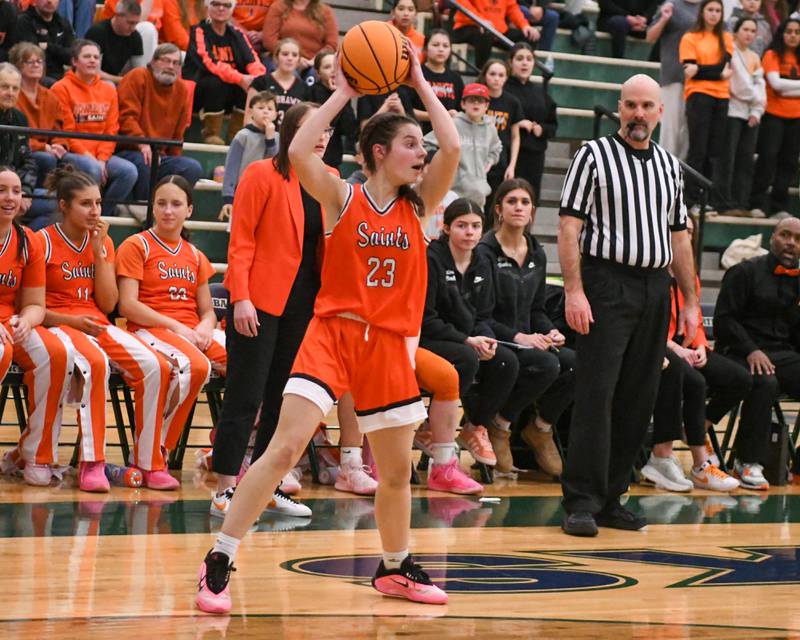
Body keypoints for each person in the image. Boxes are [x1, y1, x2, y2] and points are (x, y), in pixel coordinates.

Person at [195, 48, 460, 611]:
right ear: (379, 153)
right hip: (333, 334)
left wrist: (418, 80)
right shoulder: (342, 196)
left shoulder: (421, 205)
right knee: (283, 447)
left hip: (387, 346)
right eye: (411, 144)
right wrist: (344, 89)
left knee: (395, 474)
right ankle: (219, 556)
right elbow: (295, 150)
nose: (423, 152)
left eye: (421, 143)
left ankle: (395, 569)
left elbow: (454, 144)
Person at [558, 74, 699, 537]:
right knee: (596, 395)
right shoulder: (592, 156)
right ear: (620, 107)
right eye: (631, 105)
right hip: (606, 283)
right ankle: (581, 501)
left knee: (640, 397)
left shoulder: (669, 166)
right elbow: (568, 228)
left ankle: (613, 498)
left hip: (655, 287)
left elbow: (679, 237)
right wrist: (575, 291)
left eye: (647, 106)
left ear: (660, 112)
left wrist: (690, 302)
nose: (639, 114)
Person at [207, 102, 332, 522]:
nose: (321, 136)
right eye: (312, 128)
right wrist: (239, 297)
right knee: (245, 394)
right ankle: (225, 487)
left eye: (327, 129)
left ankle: (265, 485)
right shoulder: (261, 173)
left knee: (285, 399)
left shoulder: (328, 181)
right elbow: (240, 241)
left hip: (305, 305)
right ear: (290, 132)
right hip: (257, 302)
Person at [40, 166, 174, 492]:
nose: (95, 211)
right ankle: (92, 462)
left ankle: (149, 462)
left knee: (156, 366)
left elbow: (108, 302)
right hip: (57, 324)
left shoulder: (104, 242)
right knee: (95, 364)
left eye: (98, 203)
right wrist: (71, 321)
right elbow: (32, 308)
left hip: (96, 322)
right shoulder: (41, 241)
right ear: (64, 205)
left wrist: (101, 253)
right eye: (85, 204)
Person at [116, 175, 227, 464]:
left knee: (250, 368)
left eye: (176, 204)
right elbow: (128, 305)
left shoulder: (196, 255)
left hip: (190, 334)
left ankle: (230, 448)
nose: (168, 210)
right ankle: (153, 451)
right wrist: (177, 327)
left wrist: (205, 327)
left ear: (189, 210)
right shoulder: (135, 245)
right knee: (196, 366)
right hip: (150, 330)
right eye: (161, 203)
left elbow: (207, 311)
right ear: (152, 208)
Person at [478, 178, 576, 478]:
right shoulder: (485, 251)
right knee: (546, 364)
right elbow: (483, 314)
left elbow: (537, 310)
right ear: (499, 209)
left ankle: (540, 428)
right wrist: (520, 337)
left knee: (575, 364)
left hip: (529, 340)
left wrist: (550, 332)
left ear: (532, 211)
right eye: (512, 202)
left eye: (524, 202)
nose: (518, 208)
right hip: (497, 339)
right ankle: (500, 426)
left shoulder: (537, 252)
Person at [640, 217, 746, 493]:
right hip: (659, 345)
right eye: (679, 229)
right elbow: (644, 322)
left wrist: (699, 345)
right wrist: (675, 348)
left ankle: (696, 426)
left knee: (738, 378)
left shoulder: (690, 274)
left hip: (687, 344)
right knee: (695, 383)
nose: (684, 235)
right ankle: (701, 464)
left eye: (689, 231)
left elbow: (695, 318)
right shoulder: (652, 271)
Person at [421, 198, 519, 470]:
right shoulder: (432, 259)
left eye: (476, 226)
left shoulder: (483, 261)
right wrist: (467, 340)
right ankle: (430, 428)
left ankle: (474, 427)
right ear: (447, 228)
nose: (469, 232)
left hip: (467, 338)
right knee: (466, 358)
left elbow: (483, 315)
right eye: (461, 226)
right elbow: (426, 319)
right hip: (429, 338)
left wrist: (485, 338)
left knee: (506, 361)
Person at [713, 217, 800, 490]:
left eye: (798, 239)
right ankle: (747, 461)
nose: (791, 243)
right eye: (785, 235)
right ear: (772, 237)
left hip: (782, 354)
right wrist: (751, 349)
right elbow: (724, 321)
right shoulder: (744, 272)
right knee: (764, 381)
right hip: (738, 352)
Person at [0, 168, 72, 489]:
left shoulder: (27, 241)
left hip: (10, 321)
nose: (10, 198)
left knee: (56, 353)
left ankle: (36, 454)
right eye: (3, 190)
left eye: (16, 191)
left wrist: (25, 321)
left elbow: (35, 304)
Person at [51, 40, 139, 218]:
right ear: (75, 62)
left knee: (128, 171)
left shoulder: (109, 89)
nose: (92, 60)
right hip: (73, 153)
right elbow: (66, 132)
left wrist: (103, 159)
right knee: (92, 168)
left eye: (96, 57)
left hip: (101, 155)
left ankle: (100, 216)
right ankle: (84, 217)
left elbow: (111, 129)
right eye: (87, 56)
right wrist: (92, 158)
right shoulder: (60, 88)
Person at [116, 43, 203, 202]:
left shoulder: (182, 90)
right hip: (130, 149)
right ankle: (144, 211)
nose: (171, 66)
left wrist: (173, 155)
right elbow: (126, 117)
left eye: (176, 63)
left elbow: (178, 133)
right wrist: (142, 144)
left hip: (159, 155)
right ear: (153, 61)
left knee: (192, 167)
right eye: (166, 60)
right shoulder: (138, 76)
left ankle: (171, 207)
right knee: (146, 160)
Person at [10, 42, 98, 193]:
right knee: (47, 158)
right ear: (18, 65)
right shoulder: (13, 97)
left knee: (88, 165)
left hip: (52, 150)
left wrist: (60, 145)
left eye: (39, 61)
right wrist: (42, 147)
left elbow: (60, 129)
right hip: (28, 151)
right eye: (29, 61)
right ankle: (44, 197)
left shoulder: (50, 96)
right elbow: (16, 139)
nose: (36, 65)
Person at [182, 0, 266, 145]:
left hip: (230, 92)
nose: (221, 8)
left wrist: (256, 78)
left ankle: (236, 134)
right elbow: (209, 63)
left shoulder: (237, 33)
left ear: (232, 10)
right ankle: (211, 134)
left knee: (251, 84)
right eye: (216, 4)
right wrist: (240, 78)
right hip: (201, 91)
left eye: (226, 5)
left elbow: (252, 60)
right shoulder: (198, 31)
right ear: (208, 6)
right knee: (217, 82)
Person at [679, 0, 734, 211]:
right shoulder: (690, 37)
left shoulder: (726, 38)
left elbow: (723, 66)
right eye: (710, 9)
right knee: (698, 149)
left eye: (718, 10)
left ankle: (706, 200)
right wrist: (716, 74)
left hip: (721, 97)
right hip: (698, 95)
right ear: (702, 12)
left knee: (715, 151)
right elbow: (688, 69)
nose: (714, 14)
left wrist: (700, 69)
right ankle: (690, 200)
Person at [749, 18, 800, 219]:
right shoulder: (771, 54)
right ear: (782, 33)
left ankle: (778, 207)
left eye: (797, 32)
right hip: (773, 115)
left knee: (789, 162)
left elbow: (782, 86)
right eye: (789, 31)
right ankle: (757, 203)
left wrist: (788, 88)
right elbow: (776, 84)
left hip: (796, 117)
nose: (793, 35)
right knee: (767, 158)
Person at [424, 82, 501, 209]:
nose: (476, 103)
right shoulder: (453, 124)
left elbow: (497, 148)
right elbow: (426, 143)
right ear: (463, 104)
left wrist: (490, 161)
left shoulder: (490, 127)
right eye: (471, 100)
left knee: (474, 227)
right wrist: (443, 164)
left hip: (480, 194)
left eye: (480, 100)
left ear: (486, 105)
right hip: (453, 193)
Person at [720, 17, 765, 217]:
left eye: (752, 30)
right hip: (732, 112)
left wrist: (757, 110)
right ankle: (724, 202)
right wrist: (756, 101)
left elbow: (761, 85)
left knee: (745, 161)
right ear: (736, 31)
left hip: (751, 115)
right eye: (745, 29)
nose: (749, 33)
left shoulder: (755, 56)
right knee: (727, 158)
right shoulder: (731, 52)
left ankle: (741, 203)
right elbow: (739, 86)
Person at [0, 62, 52, 229]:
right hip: (4, 190)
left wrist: (25, 193)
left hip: (13, 190)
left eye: (15, 88)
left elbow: (27, 160)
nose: (10, 93)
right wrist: (11, 193)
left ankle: (21, 242)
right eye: (4, 87)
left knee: (61, 202)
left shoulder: (19, 118)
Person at [646, 0, 701, 160]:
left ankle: (682, 176)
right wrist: (664, 19)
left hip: (701, 79)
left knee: (689, 132)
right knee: (671, 130)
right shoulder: (672, 4)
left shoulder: (708, 6)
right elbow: (650, 36)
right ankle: (664, 172)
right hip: (674, 76)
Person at [504, 43, 557, 203]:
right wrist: (517, 122)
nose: (525, 63)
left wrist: (542, 129)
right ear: (511, 62)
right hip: (508, 153)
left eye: (529, 59)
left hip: (535, 156)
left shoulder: (540, 92)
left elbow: (553, 125)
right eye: (519, 59)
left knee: (530, 200)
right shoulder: (503, 88)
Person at [219, 90, 278, 221]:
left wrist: (270, 139)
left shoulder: (277, 138)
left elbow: (273, 164)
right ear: (250, 112)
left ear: (276, 114)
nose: (266, 111)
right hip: (244, 192)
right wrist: (228, 198)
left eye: (270, 109)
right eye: (261, 108)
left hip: (268, 194)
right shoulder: (243, 136)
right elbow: (231, 167)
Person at [479, 59, 523, 218]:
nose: (496, 78)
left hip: (500, 162)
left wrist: (512, 166)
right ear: (485, 76)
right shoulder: (476, 99)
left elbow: (515, 137)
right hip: (477, 159)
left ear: (506, 77)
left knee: (494, 206)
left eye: (501, 75)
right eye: (492, 74)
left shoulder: (512, 102)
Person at [452, 0, 540, 69]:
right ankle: (482, 75)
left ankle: (516, 74)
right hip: (469, 25)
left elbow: (512, 8)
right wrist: (480, 20)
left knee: (530, 36)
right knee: (486, 35)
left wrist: (524, 25)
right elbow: (463, 4)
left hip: (497, 30)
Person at [308, 51, 357, 170]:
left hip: (333, 157)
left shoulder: (344, 93)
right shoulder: (311, 92)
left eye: (336, 67)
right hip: (312, 155)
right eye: (327, 67)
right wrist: (337, 95)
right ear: (318, 73)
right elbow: (324, 123)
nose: (333, 70)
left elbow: (350, 129)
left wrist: (341, 94)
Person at [261, 0, 337, 74]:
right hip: (284, 59)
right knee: (289, 74)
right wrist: (295, 58)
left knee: (315, 75)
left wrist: (315, 60)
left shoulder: (325, 11)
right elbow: (269, 40)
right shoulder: (278, 7)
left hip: (313, 63)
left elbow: (332, 44)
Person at [412, 29, 464, 135]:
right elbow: (407, 110)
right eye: (435, 45)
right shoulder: (415, 74)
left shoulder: (456, 79)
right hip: (420, 134)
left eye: (445, 46)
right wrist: (441, 116)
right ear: (425, 48)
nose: (441, 49)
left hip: (448, 136)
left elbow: (461, 111)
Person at [11, 0, 75, 85]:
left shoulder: (63, 23)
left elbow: (72, 56)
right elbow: (32, 55)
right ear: (34, 1)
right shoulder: (24, 21)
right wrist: (60, 52)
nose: (49, 1)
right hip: (34, 76)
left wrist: (48, 47)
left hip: (60, 75)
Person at [250, 38, 309, 126]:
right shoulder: (260, 82)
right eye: (285, 54)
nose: (290, 58)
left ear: (299, 60)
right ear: (276, 57)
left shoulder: (305, 88)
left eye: (294, 55)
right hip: (262, 137)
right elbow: (249, 118)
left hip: (292, 138)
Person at [85, 0, 144, 84]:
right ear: (117, 16)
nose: (133, 28)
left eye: (136, 23)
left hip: (118, 77)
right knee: (108, 85)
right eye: (130, 23)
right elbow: (93, 72)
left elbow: (139, 71)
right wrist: (123, 80)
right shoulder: (98, 32)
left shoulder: (135, 36)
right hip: (95, 80)